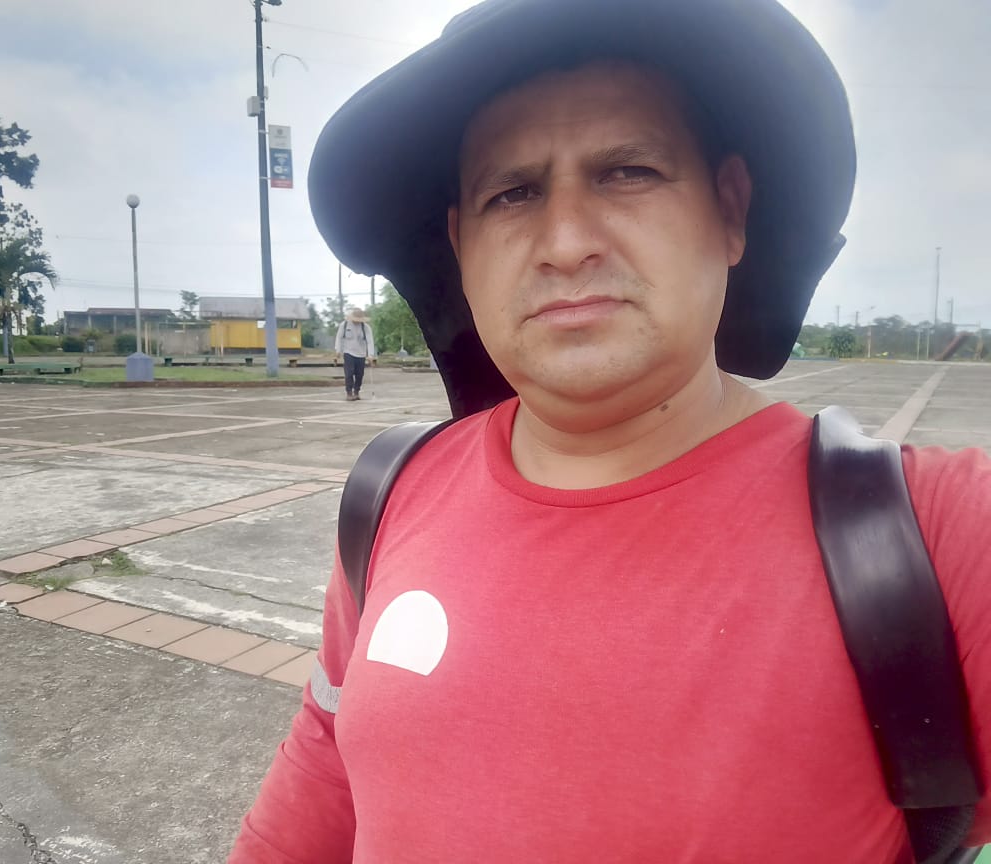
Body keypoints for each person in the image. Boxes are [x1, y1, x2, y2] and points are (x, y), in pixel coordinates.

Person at [229, 1, 991, 862]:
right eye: (512, 193)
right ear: (460, 245)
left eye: (628, 172)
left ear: (731, 209)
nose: (565, 242)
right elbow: (328, 752)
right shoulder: (389, 493)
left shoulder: (934, 538)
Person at [334, 307, 375, 401]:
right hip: (348, 352)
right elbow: (339, 338)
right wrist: (338, 350)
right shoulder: (344, 325)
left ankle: (356, 392)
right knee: (349, 373)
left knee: (359, 374)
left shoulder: (366, 327)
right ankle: (349, 393)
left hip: (361, 354)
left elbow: (370, 341)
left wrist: (370, 355)